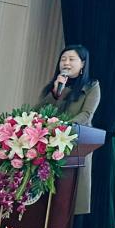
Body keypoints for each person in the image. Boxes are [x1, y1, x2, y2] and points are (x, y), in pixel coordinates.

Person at [37, 45, 100, 216]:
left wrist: (62, 128)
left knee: (69, 201)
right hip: (48, 145)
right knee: (46, 205)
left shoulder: (92, 86)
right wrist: (55, 93)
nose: (66, 63)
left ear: (83, 64)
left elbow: (86, 114)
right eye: (63, 59)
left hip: (76, 143)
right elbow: (37, 113)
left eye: (72, 59)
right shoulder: (54, 87)